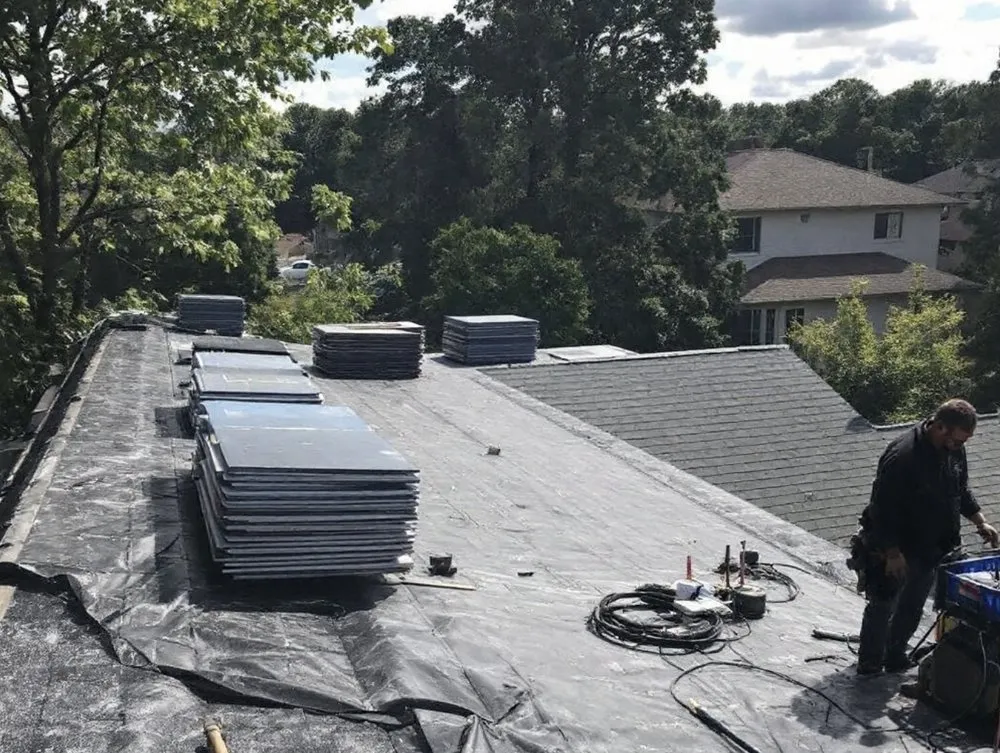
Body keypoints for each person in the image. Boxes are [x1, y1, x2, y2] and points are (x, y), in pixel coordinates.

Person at [854, 398, 999, 676]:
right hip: (899, 546)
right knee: (884, 604)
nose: (960, 447)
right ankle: (870, 663)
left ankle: (895, 655)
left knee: (913, 605)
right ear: (940, 427)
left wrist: (980, 520)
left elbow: (960, 488)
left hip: (931, 547)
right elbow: (882, 509)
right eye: (958, 440)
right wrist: (892, 553)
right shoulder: (903, 456)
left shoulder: (954, 450)